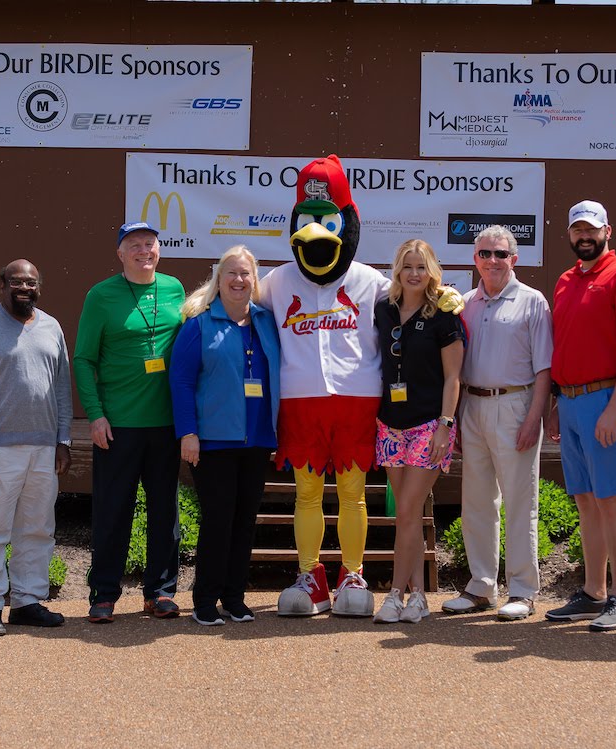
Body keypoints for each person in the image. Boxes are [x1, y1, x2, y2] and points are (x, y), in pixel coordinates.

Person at [261, 155, 463, 618]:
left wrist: (450, 296)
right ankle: (310, 575)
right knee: (307, 495)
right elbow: (236, 292)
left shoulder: (370, 280)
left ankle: (352, 573)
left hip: (356, 403)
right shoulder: (277, 280)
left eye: (328, 220)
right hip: (300, 403)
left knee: (352, 494)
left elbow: (415, 297)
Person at [544, 200, 616, 632]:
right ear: (569, 235)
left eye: (591, 229)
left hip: (607, 399)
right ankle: (594, 592)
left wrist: (613, 407)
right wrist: (556, 404)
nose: (584, 236)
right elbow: (567, 345)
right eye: (577, 230)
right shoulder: (566, 280)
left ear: (609, 230)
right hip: (570, 402)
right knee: (586, 502)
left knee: (612, 498)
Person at [73, 221, 186, 624]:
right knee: (112, 513)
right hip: (117, 425)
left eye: (150, 244)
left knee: (164, 513)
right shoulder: (101, 296)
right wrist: (96, 415)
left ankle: (160, 592)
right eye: (134, 245)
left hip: (165, 425)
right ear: (120, 254)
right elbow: (84, 359)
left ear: (159, 250)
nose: (144, 250)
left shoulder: (175, 290)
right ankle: (104, 594)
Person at [0, 259, 73, 636]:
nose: (24, 288)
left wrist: (63, 440)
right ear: (2, 285)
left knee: (38, 528)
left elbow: (61, 389)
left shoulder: (51, 327)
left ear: (40, 287)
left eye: (32, 282)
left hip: (44, 448)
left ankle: (27, 602)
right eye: (16, 282)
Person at [444, 226, 552, 621]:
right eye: (485, 253)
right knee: (476, 501)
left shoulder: (533, 302)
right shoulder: (465, 304)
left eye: (500, 254)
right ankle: (481, 586)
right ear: (474, 259)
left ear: (514, 259)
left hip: (515, 406)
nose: (492, 260)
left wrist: (533, 418)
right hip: (471, 406)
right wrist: (455, 417)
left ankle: (523, 590)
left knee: (521, 503)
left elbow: (545, 369)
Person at [169, 246, 280, 626]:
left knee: (244, 521)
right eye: (231, 273)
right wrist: (188, 433)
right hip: (213, 442)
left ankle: (234, 598)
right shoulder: (199, 324)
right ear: (219, 279)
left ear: (254, 279)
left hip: (257, 440)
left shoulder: (267, 321)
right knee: (218, 521)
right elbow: (181, 381)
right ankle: (204, 600)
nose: (238, 280)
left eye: (245, 273)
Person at [371, 240, 464, 624]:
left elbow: (453, 376)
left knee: (409, 509)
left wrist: (445, 424)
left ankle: (394, 594)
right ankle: (418, 598)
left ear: (432, 272)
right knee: (404, 516)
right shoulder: (383, 309)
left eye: (421, 267)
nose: (413, 273)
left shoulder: (444, 313)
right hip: (389, 423)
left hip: (429, 424)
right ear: (397, 269)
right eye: (407, 266)